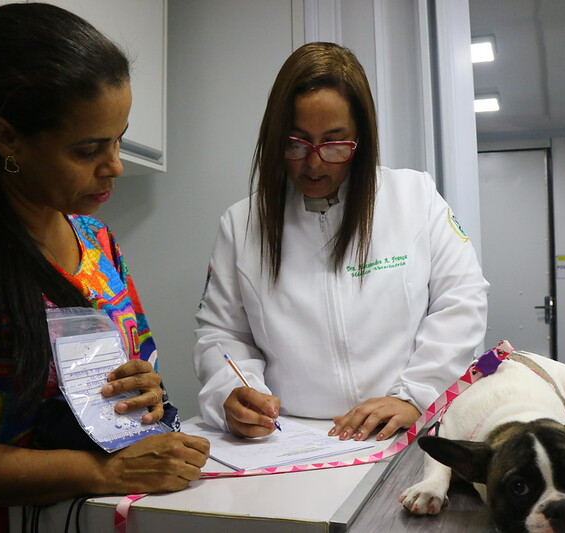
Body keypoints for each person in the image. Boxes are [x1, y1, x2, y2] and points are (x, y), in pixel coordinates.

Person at [0, 4, 209, 532]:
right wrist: (102, 471)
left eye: (118, 138)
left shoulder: (98, 242)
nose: (115, 165)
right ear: (6, 137)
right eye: (89, 149)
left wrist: (146, 394)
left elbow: (142, 380)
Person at [194, 42, 489, 442]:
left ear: (361, 139)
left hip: (406, 431)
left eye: (334, 143)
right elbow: (221, 335)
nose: (314, 163)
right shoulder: (242, 224)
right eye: (296, 143)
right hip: (291, 440)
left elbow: (461, 300)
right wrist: (236, 393)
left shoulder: (414, 197)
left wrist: (413, 396)